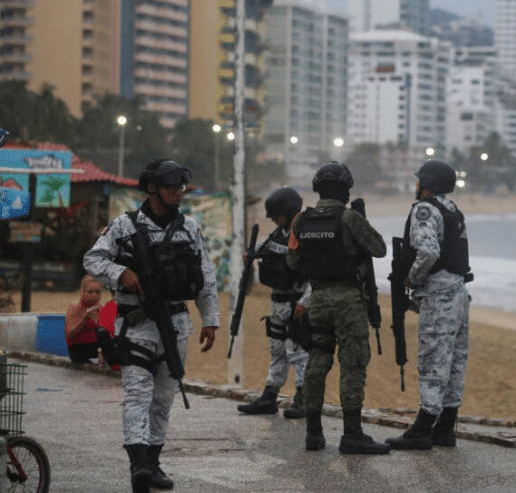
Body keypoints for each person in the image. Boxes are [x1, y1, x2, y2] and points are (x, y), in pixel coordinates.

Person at [84, 159, 219, 493]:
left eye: (180, 187)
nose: (177, 192)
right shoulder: (124, 225)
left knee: (163, 398)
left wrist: (210, 320)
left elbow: (205, 275)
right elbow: (93, 259)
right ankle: (139, 466)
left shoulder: (189, 227)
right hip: (136, 325)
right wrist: (121, 273)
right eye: (171, 186)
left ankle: (153, 462)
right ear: (153, 188)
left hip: (176, 326)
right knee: (137, 394)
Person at [287, 161, 390, 455]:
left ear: (318, 190)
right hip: (348, 303)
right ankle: (352, 434)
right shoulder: (349, 218)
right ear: (346, 191)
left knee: (317, 361)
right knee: (352, 364)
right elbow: (379, 248)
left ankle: (313, 433)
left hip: (318, 301)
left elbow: (292, 262)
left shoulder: (300, 222)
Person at [385, 159, 471, 451]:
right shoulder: (453, 210)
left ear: (427, 184)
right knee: (455, 363)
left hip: (438, 295)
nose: (416, 185)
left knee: (433, 362)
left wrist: (412, 278)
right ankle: (445, 429)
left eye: (419, 180)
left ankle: (422, 430)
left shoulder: (425, 210)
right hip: (459, 293)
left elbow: (429, 252)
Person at [237, 186, 310, 418]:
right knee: (277, 351)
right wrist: (251, 253)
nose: (274, 220)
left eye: (277, 215)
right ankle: (269, 397)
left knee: (297, 352)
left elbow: (315, 273)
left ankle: (303, 399)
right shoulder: (278, 233)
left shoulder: (303, 235)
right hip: (278, 304)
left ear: (287, 212)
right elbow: (264, 249)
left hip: (296, 305)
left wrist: (306, 302)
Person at [64, 275, 109, 364]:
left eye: (97, 292)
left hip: (96, 347)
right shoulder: (76, 308)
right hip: (79, 350)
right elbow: (69, 334)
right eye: (90, 292)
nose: (94, 295)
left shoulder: (100, 308)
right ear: (83, 292)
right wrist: (84, 319)